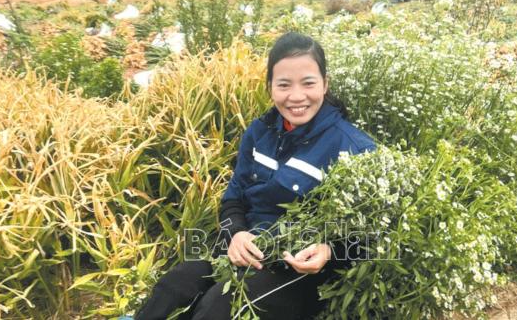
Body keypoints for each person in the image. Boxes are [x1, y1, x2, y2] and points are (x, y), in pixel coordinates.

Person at [134, 32, 376, 320]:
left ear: (325, 84)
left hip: (299, 270)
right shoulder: (259, 133)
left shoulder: (353, 147)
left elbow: (371, 234)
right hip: (247, 244)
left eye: (308, 83)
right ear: (270, 87)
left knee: (217, 308)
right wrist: (236, 233)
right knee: (172, 288)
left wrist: (329, 251)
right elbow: (233, 197)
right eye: (284, 85)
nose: (296, 96)